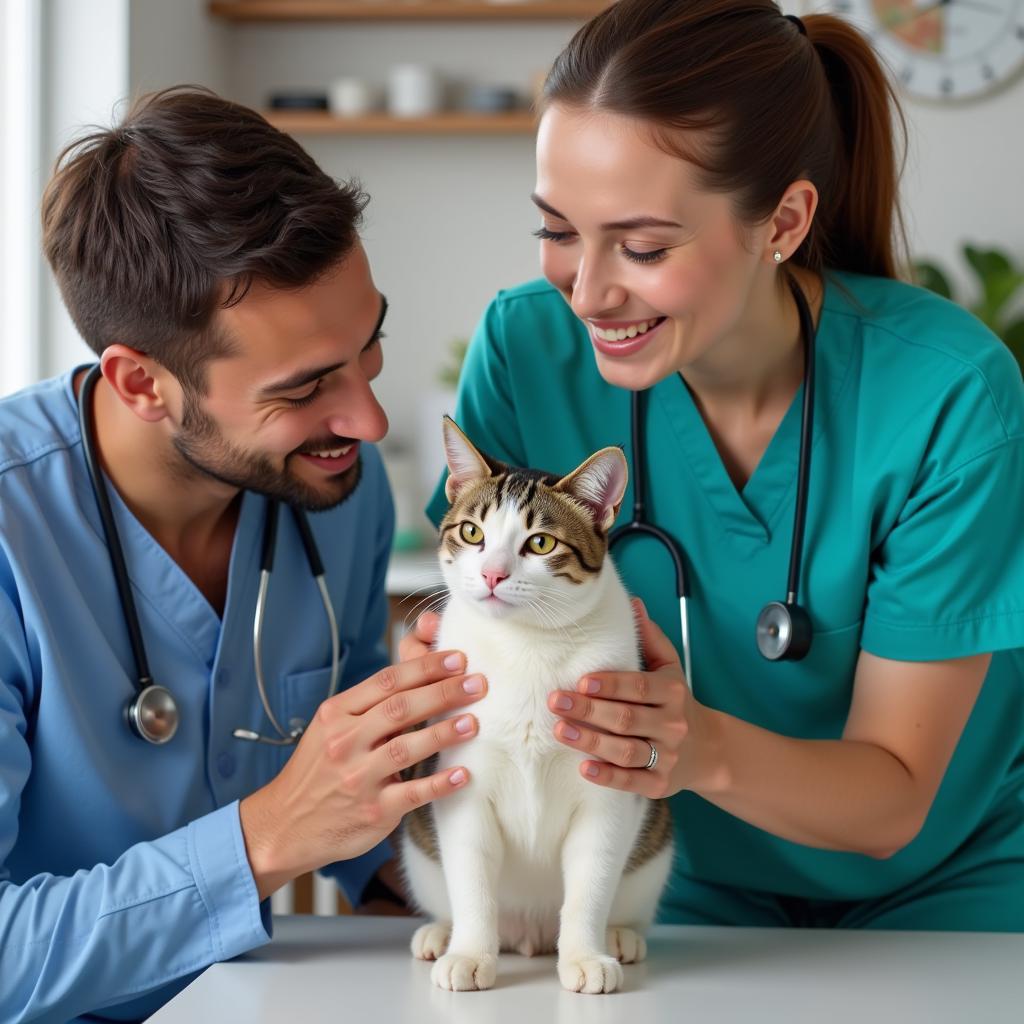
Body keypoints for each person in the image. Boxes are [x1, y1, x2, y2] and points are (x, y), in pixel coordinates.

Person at [408, 0, 1024, 930]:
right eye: (558, 230)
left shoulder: (947, 396)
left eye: (644, 246)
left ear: (782, 220)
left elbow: (895, 799)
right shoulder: (525, 350)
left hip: (941, 887)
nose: (587, 291)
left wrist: (693, 747)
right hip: (658, 880)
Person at [0, 87, 487, 1022]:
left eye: (368, 345)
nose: (369, 420)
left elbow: (349, 807)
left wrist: (446, 872)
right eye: (305, 387)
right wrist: (263, 840)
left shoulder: (337, 490)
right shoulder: (14, 531)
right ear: (143, 382)